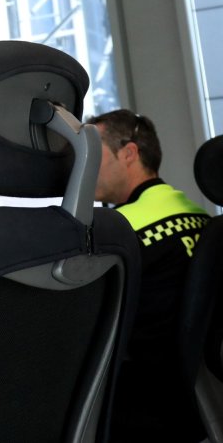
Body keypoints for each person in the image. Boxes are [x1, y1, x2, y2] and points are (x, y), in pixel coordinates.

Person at [86, 110, 209, 442]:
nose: (85, 167)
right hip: (198, 400)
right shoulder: (200, 215)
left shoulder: (117, 230)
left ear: (129, 154)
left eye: (94, 155)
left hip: (139, 403)